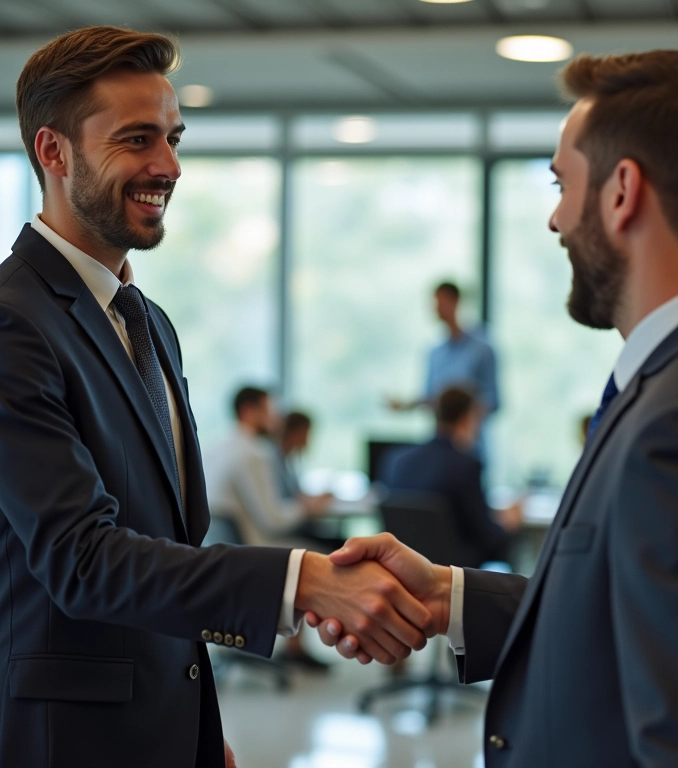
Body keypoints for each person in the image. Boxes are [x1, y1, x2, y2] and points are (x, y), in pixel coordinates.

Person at [311, 50, 678, 766]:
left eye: (561, 185)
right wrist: (449, 598)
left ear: (622, 192)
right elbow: (624, 615)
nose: (555, 220)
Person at [0, 27, 432, 768]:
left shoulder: (150, 324)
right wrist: (304, 582)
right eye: (137, 140)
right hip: (65, 742)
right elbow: (81, 560)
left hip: (164, 725)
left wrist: (198, 722)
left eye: (173, 138)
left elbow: (167, 548)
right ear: (53, 152)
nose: (166, 166)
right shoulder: (13, 322)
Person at [382, 385, 522, 569]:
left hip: (404, 568)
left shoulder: (395, 460)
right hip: (453, 574)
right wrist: (508, 523)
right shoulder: (466, 466)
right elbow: (487, 537)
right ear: (467, 418)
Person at [205, 388, 331, 547]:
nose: (276, 420)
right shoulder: (253, 454)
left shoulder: (214, 448)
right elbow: (273, 521)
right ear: (248, 411)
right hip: (258, 547)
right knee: (331, 552)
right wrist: (307, 508)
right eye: (269, 411)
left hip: (223, 549)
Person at [388, 281, 500, 459]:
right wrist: (407, 406)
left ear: (456, 302)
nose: (437, 308)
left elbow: (493, 400)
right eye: (434, 303)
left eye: (441, 301)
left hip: (471, 449)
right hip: (439, 448)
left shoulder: (482, 349)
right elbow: (430, 398)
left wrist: (466, 425)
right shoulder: (434, 353)